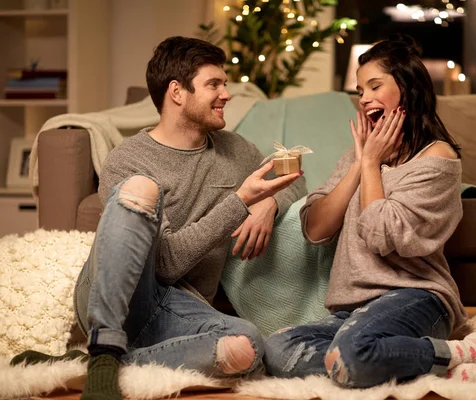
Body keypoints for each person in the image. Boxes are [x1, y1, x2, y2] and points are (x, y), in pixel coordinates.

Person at [11, 36, 306, 400]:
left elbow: (294, 177)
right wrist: (242, 200)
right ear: (177, 92)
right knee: (140, 190)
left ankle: (92, 364)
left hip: (180, 307)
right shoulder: (129, 158)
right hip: (119, 293)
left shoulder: (234, 148)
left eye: (225, 84)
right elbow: (165, 263)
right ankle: (104, 346)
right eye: (214, 84)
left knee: (246, 347)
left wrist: (268, 204)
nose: (226, 94)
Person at [263, 34, 476, 388]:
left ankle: (463, 354)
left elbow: (382, 236)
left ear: (407, 88)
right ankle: (420, 362)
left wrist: (371, 165)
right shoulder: (359, 157)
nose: (363, 98)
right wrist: (361, 163)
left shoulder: (438, 159)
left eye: (374, 85)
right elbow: (315, 229)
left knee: (351, 355)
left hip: (415, 298)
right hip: (353, 310)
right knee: (277, 348)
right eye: (360, 89)